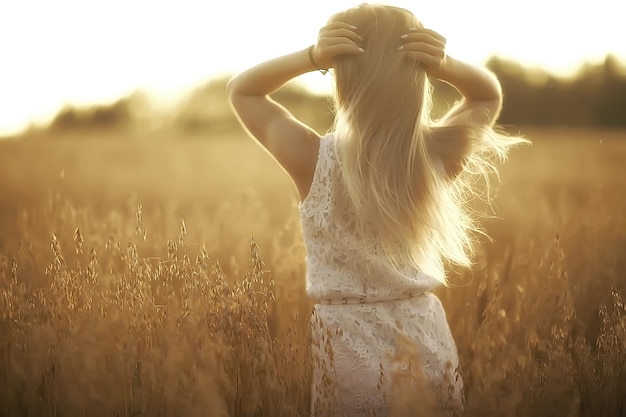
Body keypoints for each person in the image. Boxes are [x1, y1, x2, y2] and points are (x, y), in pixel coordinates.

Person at [228, 3, 526, 416]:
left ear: (342, 80)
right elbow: (487, 94)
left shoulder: (312, 158)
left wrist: (311, 57)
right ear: (417, 78)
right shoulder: (434, 156)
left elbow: (242, 90)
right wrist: (447, 65)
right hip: (425, 335)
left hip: (346, 341)